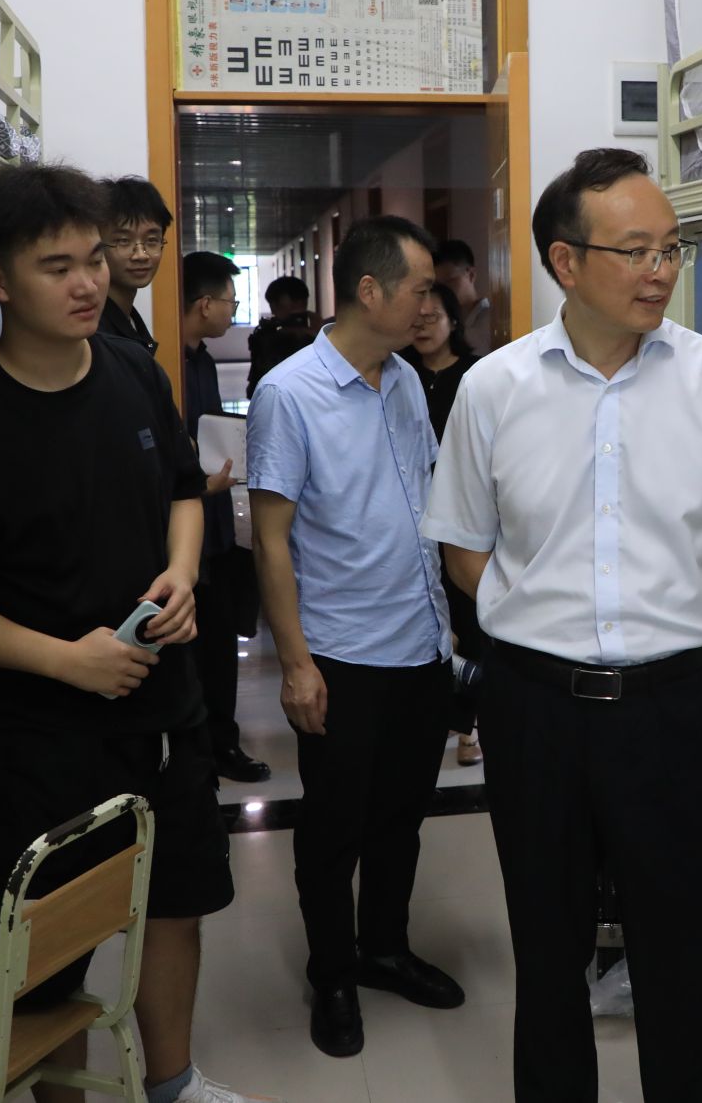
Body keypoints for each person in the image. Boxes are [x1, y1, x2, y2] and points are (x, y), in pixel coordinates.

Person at [423, 147, 702, 1102]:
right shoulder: (494, 388)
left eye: (671, 249)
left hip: (674, 708)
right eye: (635, 251)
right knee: (546, 952)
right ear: (566, 261)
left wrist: (668, 624)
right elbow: (465, 549)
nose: (660, 270)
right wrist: (541, 620)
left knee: (686, 956)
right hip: (534, 708)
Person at [0, 165, 270, 1103]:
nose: (88, 281)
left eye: (94, 258)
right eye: (56, 266)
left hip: (165, 709)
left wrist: (181, 571)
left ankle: (173, 1081)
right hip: (40, 734)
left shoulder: (135, 373)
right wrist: (67, 660)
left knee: (177, 900)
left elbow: (184, 489)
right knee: (44, 945)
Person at [246, 216, 465, 1060]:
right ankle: (333, 972)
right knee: (334, 827)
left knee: (401, 819)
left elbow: (423, 499)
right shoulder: (290, 393)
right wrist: (295, 665)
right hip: (340, 653)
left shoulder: (404, 379)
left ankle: (385, 947)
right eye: (420, 289)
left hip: (420, 643)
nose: (429, 304)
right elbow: (271, 542)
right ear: (370, 291)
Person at [179, 251, 270, 785]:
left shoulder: (204, 361)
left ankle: (223, 743)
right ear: (205, 303)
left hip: (215, 526)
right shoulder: (166, 364)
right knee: (194, 649)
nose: (233, 313)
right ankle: (199, 753)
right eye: (231, 303)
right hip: (186, 526)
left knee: (219, 644)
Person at [399, 283, 485, 766]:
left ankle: (470, 725)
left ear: (453, 321)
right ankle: (440, 714)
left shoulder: (477, 375)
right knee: (431, 614)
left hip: (468, 513)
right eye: (417, 316)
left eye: (433, 316)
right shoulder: (397, 373)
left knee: (470, 612)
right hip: (413, 513)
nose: (424, 325)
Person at [98, 175, 171, 353]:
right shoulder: (92, 329)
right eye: (123, 241)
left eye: (152, 240)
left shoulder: (130, 319)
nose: (140, 255)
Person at [245, 274, 319, 397]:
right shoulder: (267, 334)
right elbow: (256, 384)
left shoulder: (320, 334)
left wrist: (318, 335)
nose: (273, 311)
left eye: (275, 304)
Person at [433, 237, 493, 353]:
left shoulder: (493, 321)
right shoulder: (437, 321)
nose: (443, 291)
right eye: (437, 285)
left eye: (449, 281)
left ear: (471, 275)